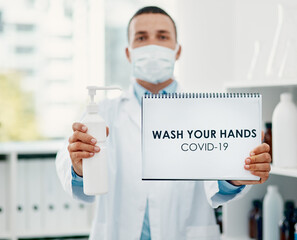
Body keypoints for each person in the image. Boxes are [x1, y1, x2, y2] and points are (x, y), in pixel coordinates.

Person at [56, 6, 271, 240]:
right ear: (128, 53)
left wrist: (234, 176)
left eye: (162, 36)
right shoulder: (102, 113)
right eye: (141, 38)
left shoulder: (206, 113)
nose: (152, 45)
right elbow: (71, 171)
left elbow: (217, 184)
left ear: (177, 50)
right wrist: (79, 167)